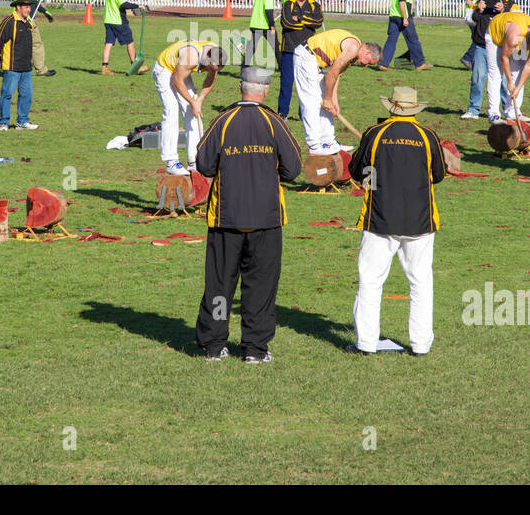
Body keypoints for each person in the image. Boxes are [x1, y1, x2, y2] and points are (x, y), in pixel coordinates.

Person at [194, 66, 302, 363]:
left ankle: (215, 344)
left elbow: (203, 165)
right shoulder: (274, 122)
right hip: (266, 218)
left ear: (241, 88)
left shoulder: (222, 121)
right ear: (265, 90)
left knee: (219, 284)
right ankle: (255, 348)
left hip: (225, 217)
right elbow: (293, 169)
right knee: (260, 286)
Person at [347, 86, 446, 355]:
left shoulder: (374, 134)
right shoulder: (428, 136)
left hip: (379, 219)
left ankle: (366, 343)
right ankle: (421, 344)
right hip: (420, 221)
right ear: (414, 108)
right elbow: (438, 174)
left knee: (370, 281)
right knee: (421, 283)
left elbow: (357, 172)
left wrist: (375, 177)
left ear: (391, 106)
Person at [293, 28, 382, 155]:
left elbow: (337, 75)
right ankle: (314, 145)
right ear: (368, 53)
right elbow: (331, 73)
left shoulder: (353, 54)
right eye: (369, 62)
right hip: (306, 56)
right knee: (311, 102)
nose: (366, 66)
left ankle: (329, 142)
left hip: (315, 63)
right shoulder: (352, 48)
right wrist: (328, 99)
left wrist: (334, 101)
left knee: (325, 104)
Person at [153, 39, 224, 175]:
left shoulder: (216, 55)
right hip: (165, 70)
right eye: (210, 67)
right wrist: (192, 102)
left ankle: (194, 161)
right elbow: (176, 80)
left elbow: (210, 79)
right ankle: (171, 161)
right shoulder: (191, 57)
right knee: (171, 111)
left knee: (193, 114)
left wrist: (199, 101)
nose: (211, 70)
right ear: (207, 57)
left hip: (181, 71)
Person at [485, 8, 530, 124]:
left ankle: (513, 112)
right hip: (494, 33)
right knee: (495, 73)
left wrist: (517, 87)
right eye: (528, 49)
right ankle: (494, 114)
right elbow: (504, 58)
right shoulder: (515, 37)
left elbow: (528, 66)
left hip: (518, 36)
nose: (528, 51)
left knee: (518, 71)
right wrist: (510, 82)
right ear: (525, 41)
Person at [462, 0, 507, 119]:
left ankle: (508, 111)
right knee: (477, 78)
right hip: (481, 46)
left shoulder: (509, 4)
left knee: (503, 81)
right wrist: (479, 10)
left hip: (500, 47)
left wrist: (502, 12)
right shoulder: (480, 2)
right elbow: (470, 20)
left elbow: (514, 22)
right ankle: (473, 109)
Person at [0, 0, 38, 131]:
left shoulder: (28, 22)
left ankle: (22, 121)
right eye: (26, 7)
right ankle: (4, 122)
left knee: (27, 94)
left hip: (26, 67)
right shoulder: (9, 22)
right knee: (7, 94)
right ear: (18, 7)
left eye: (29, 7)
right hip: (12, 67)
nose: (28, 10)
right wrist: (0, 59)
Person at [278, 0, 322, 118]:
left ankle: (304, 113)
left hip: (308, 50)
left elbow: (318, 22)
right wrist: (307, 24)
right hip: (289, 48)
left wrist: (301, 19)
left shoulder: (314, 5)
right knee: (286, 82)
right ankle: (282, 113)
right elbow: (286, 23)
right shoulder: (287, 4)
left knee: (306, 83)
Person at [380, 0, 431, 71]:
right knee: (413, 40)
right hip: (402, 15)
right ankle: (419, 63)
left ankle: (383, 63)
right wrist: (405, 18)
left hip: (393, 15)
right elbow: (402, 1)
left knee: (391, 40)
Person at [101, 0, 147, 75]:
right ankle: (135, 66)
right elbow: (123, 4)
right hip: (118, 20)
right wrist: (137, 6)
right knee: (130, 41)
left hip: (108, 19)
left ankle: (105, 67)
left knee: (109, 43)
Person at [15, 0, 54, 76]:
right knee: (34, 43)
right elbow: (23, 2)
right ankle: (40, 69)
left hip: (28, 17)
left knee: (27, 43)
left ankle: (20, 67)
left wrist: (45, 12)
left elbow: (33, 1)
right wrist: (28, 17)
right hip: (24, 18)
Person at [246, 0, 277, 69]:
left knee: (251, 49)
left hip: (255, 23)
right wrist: (272, 25)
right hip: (265, 24)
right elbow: (268, 10)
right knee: (276, 47)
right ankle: (283, 67)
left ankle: (244, 67)